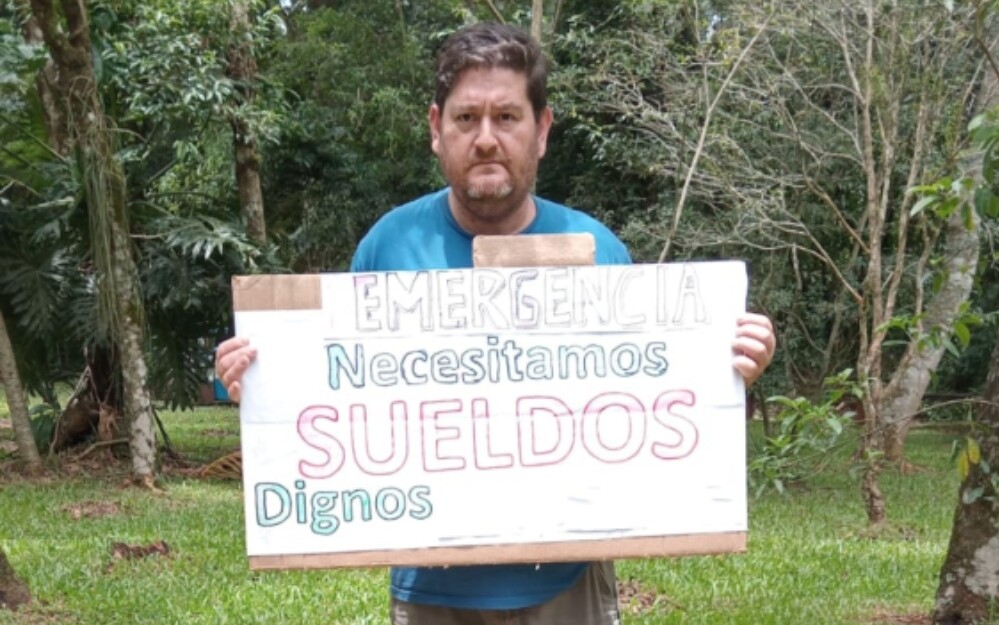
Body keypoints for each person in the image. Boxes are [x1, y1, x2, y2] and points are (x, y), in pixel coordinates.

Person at [215, 22, 776, 625]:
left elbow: (655, 401)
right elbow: (335, 397)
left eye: (507, 117)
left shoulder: (599, 251)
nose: (486, 139)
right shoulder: (388, 246)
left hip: (569, 582)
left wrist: (728, 365)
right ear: (437, 129)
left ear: (542, 130)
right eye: (466, 119)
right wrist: (259, 380)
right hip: (430, 586)